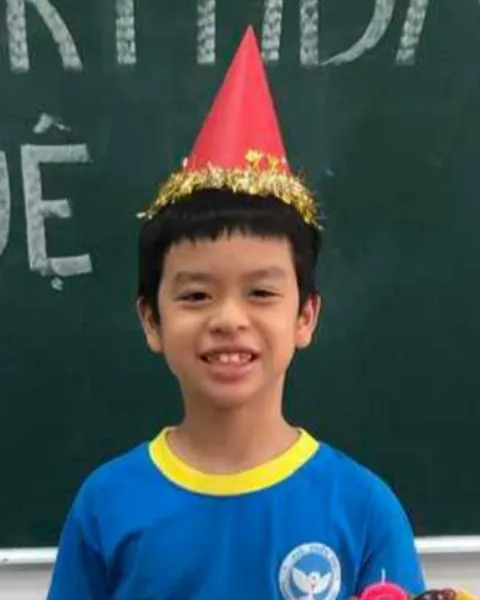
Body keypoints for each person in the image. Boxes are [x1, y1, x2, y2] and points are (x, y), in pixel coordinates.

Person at [46, 26, 426, 600]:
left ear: (306, 316)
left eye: (261, 293)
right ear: (151, 320)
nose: (229, 319)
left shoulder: (362, 508)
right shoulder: (108, 504)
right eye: (196, 295)